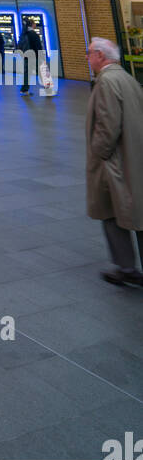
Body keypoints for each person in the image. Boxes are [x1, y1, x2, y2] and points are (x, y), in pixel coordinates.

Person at [85, 38, 143, 286]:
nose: (87, 57)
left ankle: (125, 267)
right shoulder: (128, 78)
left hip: (114, 161)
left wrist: (98, 153)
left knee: (111, 211)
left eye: (89, 53)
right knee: (136, 211)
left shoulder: (107, 82)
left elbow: (107, 126)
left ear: (100, 55)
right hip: (133, 155)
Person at [17, 18, 42, 94]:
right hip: (35, 56)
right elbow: (38, 47)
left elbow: (19, 46)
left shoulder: (23, 34)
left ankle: (24, 90)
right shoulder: (34, 34)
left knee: (27, 74)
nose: (36, 25)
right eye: (34, 23)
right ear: (32, 25)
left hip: (26, 56)